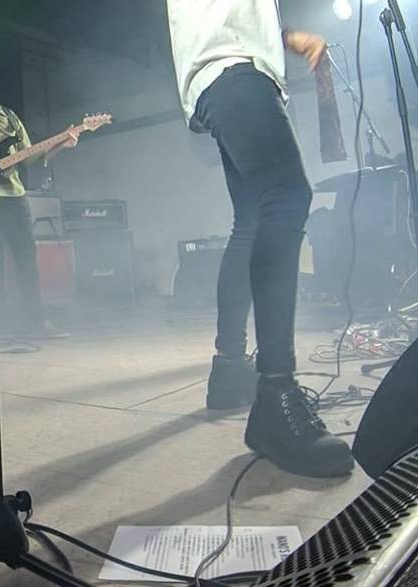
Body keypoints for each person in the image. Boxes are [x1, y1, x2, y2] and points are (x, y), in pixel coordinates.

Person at [167, 0, 354, 477]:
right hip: (232, 69)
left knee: (251, 219)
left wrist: (286, 36)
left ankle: (229, 370)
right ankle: (275, 392)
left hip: (223, 69)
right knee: (288, 196)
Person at [0, 61, 76, 339]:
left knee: (26, 259)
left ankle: (35, 323)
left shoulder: (9, 117)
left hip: (13, 194)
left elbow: (31, 155)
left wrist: (60, 144)